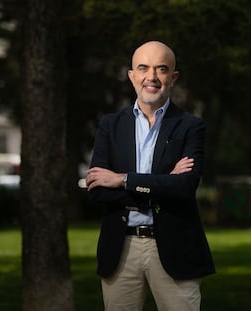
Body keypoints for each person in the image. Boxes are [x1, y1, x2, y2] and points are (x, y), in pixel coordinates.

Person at [86, 40, 215, 311]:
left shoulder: (191, 127)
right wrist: (162, 183)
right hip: (121, 250)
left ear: (173, 77)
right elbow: (98, 188)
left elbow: (184, 187)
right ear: (132, 75)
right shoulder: (110, 126)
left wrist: (122, 179)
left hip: (175, 248)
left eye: (161, 69)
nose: (151, 77)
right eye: (143, 68)